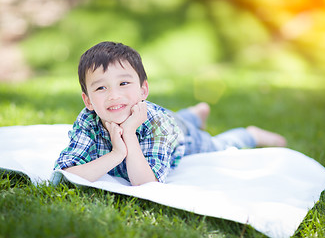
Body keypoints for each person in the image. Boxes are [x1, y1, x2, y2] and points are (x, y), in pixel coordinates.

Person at [54, 41, 287, 186]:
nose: (113, 95)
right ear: (88, 101)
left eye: (124, 83)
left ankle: (250, 134)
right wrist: (117, 153)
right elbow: (66, 174)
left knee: (217, 145)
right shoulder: (88, 120)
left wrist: (129, 135)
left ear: (143, 89)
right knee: (181, 119)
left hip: (178, 135)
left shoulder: (158, 124)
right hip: (171, 120)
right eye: (101, 88)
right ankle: (194, 114)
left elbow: (147, 183)